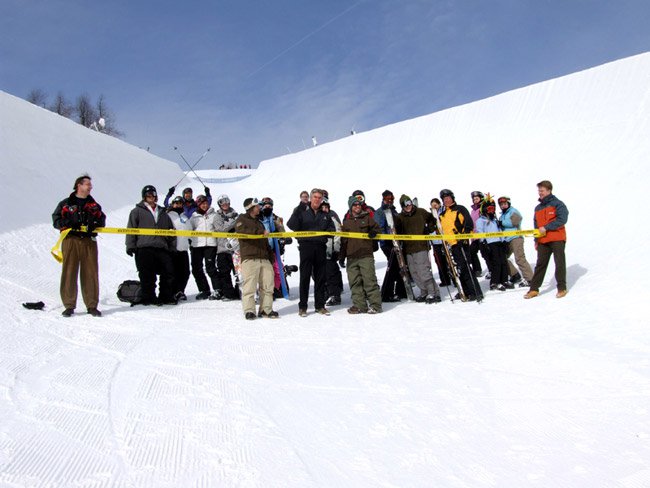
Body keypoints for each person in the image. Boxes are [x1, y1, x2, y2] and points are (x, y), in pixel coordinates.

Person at [52, 174, 106, 317]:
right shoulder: (66, 204)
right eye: (88, 184)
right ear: (79, 185)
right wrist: (68, 224)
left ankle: (92, 305)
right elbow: (56, 220)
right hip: (71, 240)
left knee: (91, 273)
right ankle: (69, 305)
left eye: (90, 185)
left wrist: (94, 224)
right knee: (69, 271)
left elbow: (102, 220)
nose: (90, 187)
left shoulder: (94, 205)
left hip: (89, 242)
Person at [287, 188, 335, 317]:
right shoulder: (302, 210)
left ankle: (320, 306)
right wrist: (298, 211)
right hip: (306, 247)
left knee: (320, 278)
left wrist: (327, 233)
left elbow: (332, 229)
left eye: (320, 197)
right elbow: (291, 225)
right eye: (315, 197)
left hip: (320, 247)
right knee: (305, 278)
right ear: (311, 197)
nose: (317, 200)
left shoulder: (325, 213)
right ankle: (303, 307)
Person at [125, 185, 177, 306]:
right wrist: (130, 245)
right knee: (147, 274)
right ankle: (149, 297)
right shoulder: (137, 211)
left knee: (168, 271)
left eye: (153, 195)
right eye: (148, 195)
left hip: (161, 246)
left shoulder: (163, 212)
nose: (151, 197)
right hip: (144, 246)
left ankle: (165, 296)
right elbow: (131, 228)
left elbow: (171, 231)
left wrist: (172, 247)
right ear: (144, 197)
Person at [524, 180, 569, 299]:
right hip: (543, 241)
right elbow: (536, 226)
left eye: (542, 190)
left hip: (557, 238)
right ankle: (534, 289)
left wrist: (547, 227)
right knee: (540, 264)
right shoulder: (537, 208)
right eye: (539, 190)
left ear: (549, 190)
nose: (540, 193)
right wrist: (536, 240)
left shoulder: (558, 204)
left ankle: (562, 288)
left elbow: (562, 219)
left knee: (559, 263)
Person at [234, 198, 278, 319]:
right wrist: (260, 231)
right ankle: (249, 311)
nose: (259, 208)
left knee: (268, 286)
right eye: (257, 206)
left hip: (264, 258)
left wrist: (270, 256)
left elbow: (264, 240)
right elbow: (242, 231)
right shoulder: (241, 219)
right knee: (249, 286)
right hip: (250, 258)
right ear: (250, 208)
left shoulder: (259, 222)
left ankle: (266, 309)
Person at [439, 189, 484, 302]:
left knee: (465, 268)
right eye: (444, 199)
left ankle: (475, 292)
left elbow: (468, 223)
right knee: (457, 270)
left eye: (448, 198)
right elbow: (440, 229)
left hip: (460, 244)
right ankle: (464, 291)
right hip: (450, 246)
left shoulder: (460, 209)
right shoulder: (442, 215)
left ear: (452, 198)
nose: (447, 200)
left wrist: (464, 237)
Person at [340, 197, 383, 313]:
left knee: (369, 281)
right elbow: (344, 241)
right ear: (350, 207)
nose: (357, 207)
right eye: (355, 205)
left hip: (366, 255)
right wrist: (342, 256)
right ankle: (360, 305)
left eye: (359, 205)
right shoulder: (346, 221)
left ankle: (375, 306)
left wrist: (374, 232)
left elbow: (379, 229)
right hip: (351, 256)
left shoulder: (367, 218)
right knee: (354, 282)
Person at [398, 194, 441, 303]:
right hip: (408, 249)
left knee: (423, 271)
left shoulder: (420, 212)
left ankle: (433, 292)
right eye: (405, 204)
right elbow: (397, 230)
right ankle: (424, 291)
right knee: (414, 273)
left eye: (409, 203)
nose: (408, 206)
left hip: (421, 246)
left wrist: (430, 228)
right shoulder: (401, 217)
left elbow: (432, 219)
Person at [374, 190, 407, 302]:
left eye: (392, 199)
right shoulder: (380, 212)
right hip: (387, 243)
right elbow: (379, 227)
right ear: (383, 199)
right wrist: (388, 239)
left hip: (397, 242)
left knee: (399, 266)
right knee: (392, 266)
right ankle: (386, 293)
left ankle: (400, 291)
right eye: (388, 199)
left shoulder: (394, 210)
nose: (390, 201)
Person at [475, 196, 514, 291]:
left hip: (499, 243)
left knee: (503, 262)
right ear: (484, 209)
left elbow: (500, 231)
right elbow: (480, 232)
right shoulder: (481, 220)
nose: (491, 211)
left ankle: (504, 280)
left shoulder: (495, 221)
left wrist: (504, 240)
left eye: (493, 209)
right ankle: (495, 282)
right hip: (490, 244)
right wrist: (483, 243)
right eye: (489, 209)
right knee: (496, 263)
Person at [258, 197, 293, 299]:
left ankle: (277, 288)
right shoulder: (258, 218)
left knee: (278, 270)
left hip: (274, 250)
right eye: (265, 205)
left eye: (270, 205)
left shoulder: (276, 218)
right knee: (264, 272)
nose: (268, 207)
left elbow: (282, 233)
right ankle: (265, 291)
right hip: (262, 250)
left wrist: (283, 238)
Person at [189, 195, 220, 300]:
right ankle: (204, 290)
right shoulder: (194, 216)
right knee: (196, 268)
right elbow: (189, 229)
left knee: (210, 267)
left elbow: (219, 228)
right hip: (197, 245)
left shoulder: (214, 215)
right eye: (202, 204)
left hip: (210, 245)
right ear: (198, 205)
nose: (205, 205)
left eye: (206, 203)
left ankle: (217, 289)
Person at [498, 196, 534, 287]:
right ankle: (514, 275)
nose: (503, 206)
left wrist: (502, 223)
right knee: (502, 258)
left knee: (520, 258)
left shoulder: (513, 211)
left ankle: (530, 279)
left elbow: (515, 222)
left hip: (516, 238)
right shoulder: (502, 215)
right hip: (506, 240)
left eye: (505, 204)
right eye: (501, 204)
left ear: (509, 204)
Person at [213, 194, 240, 300]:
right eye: (222, 202)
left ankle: (239, 291)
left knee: (238, 273)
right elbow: (221, 229)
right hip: (223, 249)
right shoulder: (217, 216)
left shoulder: (235, 214)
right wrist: (233, 223)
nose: (225, 203)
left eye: (226, 201)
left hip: (235, 249)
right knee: (224, 273)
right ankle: (228, 294)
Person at [167, 196, 192, 301]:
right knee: (173, 272)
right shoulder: (168, 216)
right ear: (173, 204)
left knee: (185, 272)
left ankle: (180, 290)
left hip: (183, 249)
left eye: (180, 203)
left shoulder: (185, 217)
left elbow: (190, 230)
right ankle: (173, 291)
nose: (178, 205)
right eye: (176, 203)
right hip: (172, 249)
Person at [321, 198, 343, 306]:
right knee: (319, 273)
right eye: (322, 207)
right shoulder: (317, 217)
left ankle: (335, 295)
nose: (324, 209)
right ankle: (325, 292)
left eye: (326, 207)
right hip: (319, 250)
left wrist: (336, 249)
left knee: (331, 272)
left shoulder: (332, 217)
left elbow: (338, 233)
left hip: (330, 249)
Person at [429, 198, 452, 287]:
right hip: (435, 241)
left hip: (445, 240)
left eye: (436, 204)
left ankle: (453, 278)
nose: (434, 206)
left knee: (449, 260)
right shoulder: (430, 215)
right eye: (432, 205)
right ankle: (444, 280)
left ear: (439, 204)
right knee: (439, 261)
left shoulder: (444, 212)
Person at [469, 190, 487, 277]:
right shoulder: (472, 211)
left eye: (477, 198)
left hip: (483, 234)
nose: (475, 200)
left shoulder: (483, 208)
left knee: (485, 253)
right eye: (474, 199)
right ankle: (477, 270)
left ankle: (491, 270)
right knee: (471, 251)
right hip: (474, 235)